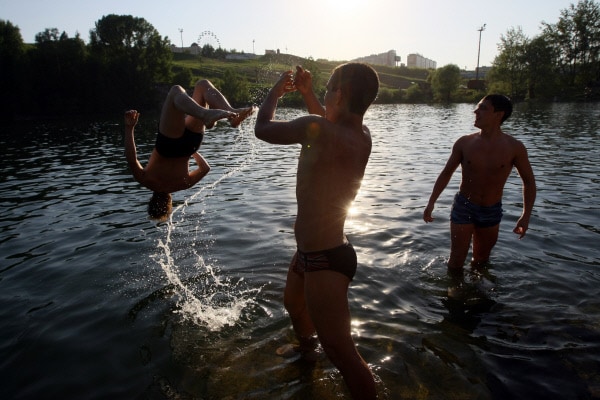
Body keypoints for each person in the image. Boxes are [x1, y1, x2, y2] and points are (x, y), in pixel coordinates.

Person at [255, 63, 379, 399]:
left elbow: (262, 128)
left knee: (343, 355)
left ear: (340, 94)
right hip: (315, 252)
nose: (324, 95)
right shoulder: (360, 136)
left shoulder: (320, 129)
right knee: (294, 305)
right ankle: (308, 359)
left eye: (327, 89)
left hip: (324, 260)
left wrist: (277, 91)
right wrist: (309, 92)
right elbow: (325, 125)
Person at [423, 94, 536, 271]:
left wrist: (526, 215)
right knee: (456, 261)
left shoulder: (514, 147)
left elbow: (529, 182)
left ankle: (479, 294)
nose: (476, 111)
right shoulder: (464, 143)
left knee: (481, 261)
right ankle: (453, 296)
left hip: (491, 209)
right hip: (464, 206)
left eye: (483, 108)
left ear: (499, 115)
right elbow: (446, 174)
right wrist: (431, 203)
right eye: (478, 107)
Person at [124, 79, 254, 221]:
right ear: (151, 200)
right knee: (178, 90)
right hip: (168, 145)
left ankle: (231, 116)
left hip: (190, 145)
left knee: (201, 88)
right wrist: (129, 128)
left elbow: (205, 168)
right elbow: (131, 158)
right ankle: (218, 114)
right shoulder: (146, 180)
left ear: (169, 202)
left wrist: (192, 152)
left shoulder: (183, 184)